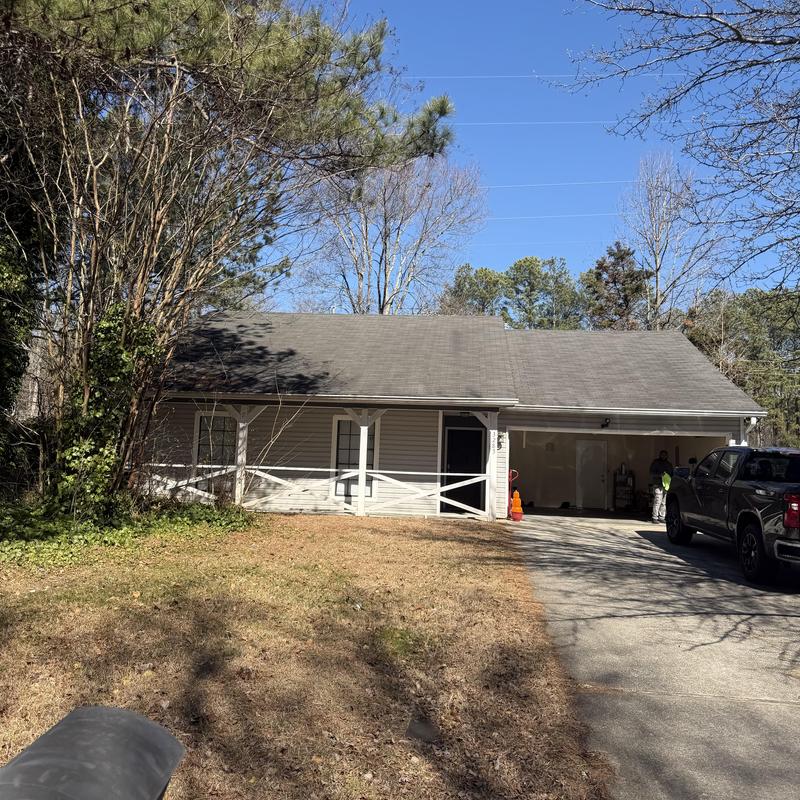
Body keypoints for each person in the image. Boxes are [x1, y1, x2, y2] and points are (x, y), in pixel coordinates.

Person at [649, 450, 674, 524]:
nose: (663, 456)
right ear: (660, 455)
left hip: (666, 485)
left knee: (664, 502)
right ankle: (654, 517)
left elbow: (671, 474)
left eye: (665, 455)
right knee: (657, 500)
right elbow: (651, 472)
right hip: (657, 484)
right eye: (662, 454)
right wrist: (659, 475)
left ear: (667, 456)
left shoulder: (669, 464)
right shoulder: (656, 462)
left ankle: (662, 517)